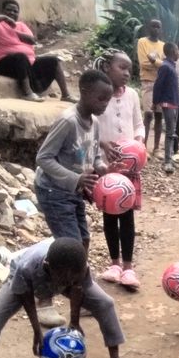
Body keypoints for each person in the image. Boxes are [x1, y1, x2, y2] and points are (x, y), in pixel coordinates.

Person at [0, 238, 139, 358]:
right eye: (66, 279)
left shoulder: (78, 265)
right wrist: (36, 330)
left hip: (61, 274)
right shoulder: (27, 267)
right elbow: (25, 295)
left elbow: (77, 287)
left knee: (105, 304)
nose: (70, 281)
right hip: (27, 281)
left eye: (74, 278)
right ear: (49, 267)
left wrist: (74, 321)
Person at [34, 69, 113, 327]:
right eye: (101, 98)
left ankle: (79, 292)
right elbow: (43, 158)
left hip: (74, 192)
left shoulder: (95, 123)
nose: (105, 104)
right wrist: (75, 179)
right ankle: (44, 299)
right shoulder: (68, 122)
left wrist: (101, 167)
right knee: (69, 247)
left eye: (108, 99)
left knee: (84, 241)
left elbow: (94, 155)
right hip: (53, 191)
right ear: (84, 92)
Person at [93, 49, 145, 289]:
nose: (126, 73)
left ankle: (128, 267)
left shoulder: (132, 95)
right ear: (106, 68)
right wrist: (103, 144)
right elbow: (91, 128)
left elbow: (138, 124)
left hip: (129, 168)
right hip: (106, 167)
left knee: (127, 215)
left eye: (129, 70)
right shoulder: (97, 96)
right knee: (109, 214)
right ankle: (114, 263)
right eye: (121, 68)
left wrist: (138, 143)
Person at [0, 0, 72, 103]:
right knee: (20, 56)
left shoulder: (21, 25)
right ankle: (27, 93)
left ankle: (66, 95)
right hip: (0, 63)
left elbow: (32, 40)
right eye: (8, 10)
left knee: (53, 60)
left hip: (25, 64)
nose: (12, 13)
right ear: (2, 11)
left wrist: (15, 32)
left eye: (15, 11)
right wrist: (4, 18)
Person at [137, 19, 166, 153]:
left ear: (161, 29)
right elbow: (143, 63)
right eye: (153, 26)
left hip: (160, 83)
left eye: (158, 27)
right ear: (148, 28)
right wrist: (158, 63)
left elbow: (166, 65)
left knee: (159, 115)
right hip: (147, 81)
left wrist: (154, 61)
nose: (156, 29)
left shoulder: (163, 45)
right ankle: (143, 147)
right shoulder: (142, 42)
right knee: (148, 114)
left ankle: (156, 148)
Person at [152, 42, 179, 174]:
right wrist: (155, 102)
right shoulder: (165, 66)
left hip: (174, 102)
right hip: (168, 103)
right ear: (173, 51)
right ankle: (167, 161)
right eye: (177, 50)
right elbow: (158, 85)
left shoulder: (171, 66)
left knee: (172, 132)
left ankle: (169, 158)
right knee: (170, 132)